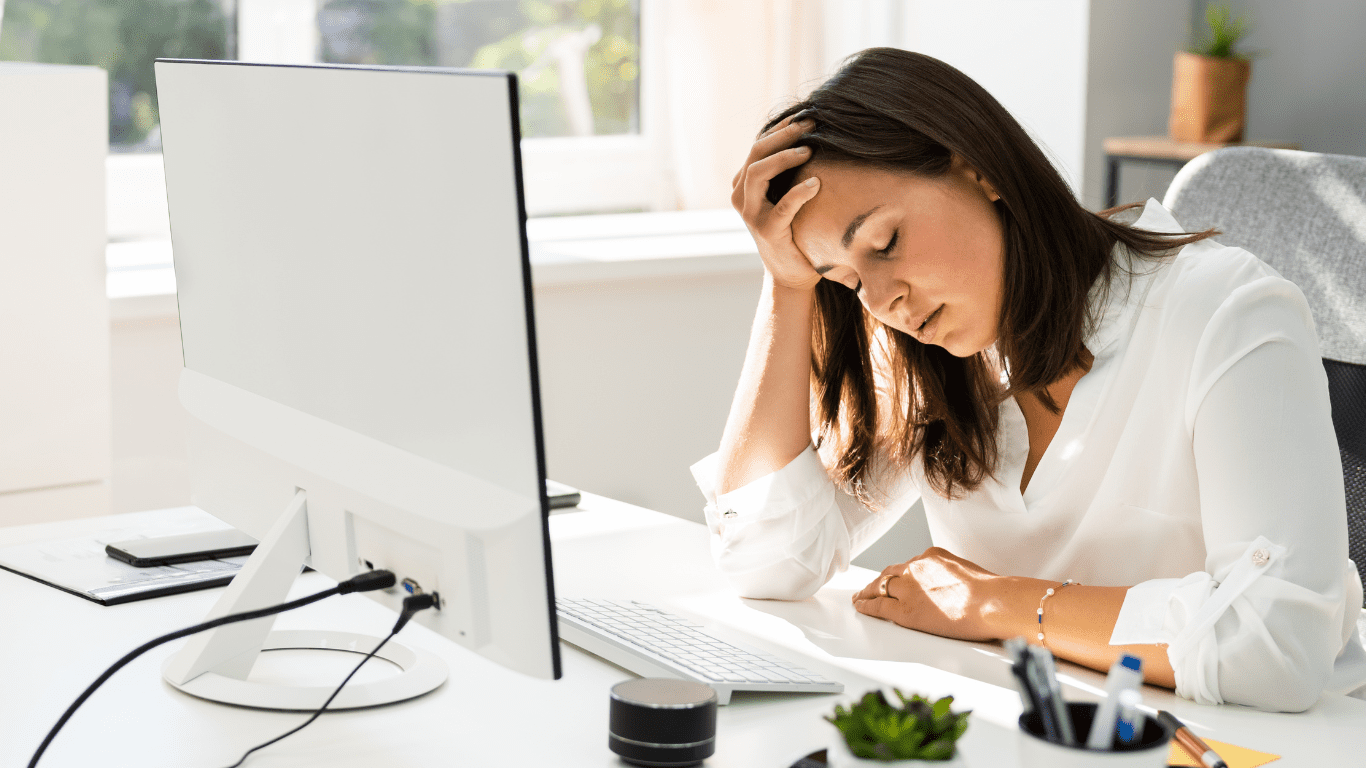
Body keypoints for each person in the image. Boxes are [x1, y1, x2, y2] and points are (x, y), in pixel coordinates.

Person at [690, 47, 1366, 712]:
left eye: (886, 242)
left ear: (980, 169)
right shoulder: (931, 352)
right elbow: (767, 560)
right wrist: (787, 285)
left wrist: (994, 602)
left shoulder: (1227, 312)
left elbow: (1278, 646)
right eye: (846, 280)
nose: (881, 300)